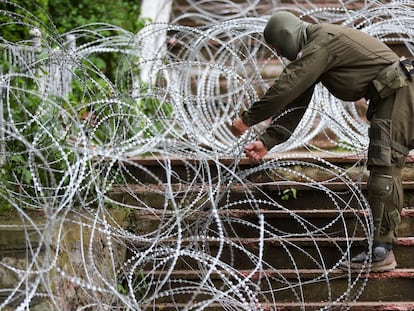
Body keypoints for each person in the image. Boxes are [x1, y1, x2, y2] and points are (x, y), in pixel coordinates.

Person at [231, 11, 414, 272]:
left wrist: (248, 119)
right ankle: (379, 244)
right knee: (384, 167)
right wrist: (268, 141)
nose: (279, 53)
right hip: (396, 94)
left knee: (384, 169)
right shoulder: (318, 45)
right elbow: (296, 98)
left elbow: (287, 86)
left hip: (400, 95)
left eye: (277, 47)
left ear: (287, 35)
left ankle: (381, 250)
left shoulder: (320, 42)